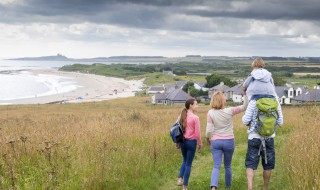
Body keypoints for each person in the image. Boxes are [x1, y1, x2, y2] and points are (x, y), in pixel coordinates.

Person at [206, 91, 248, 190]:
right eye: (224, 97)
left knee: (216, 166)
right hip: (229, 141)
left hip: (216, 142)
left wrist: (208, 138)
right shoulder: (230, 111)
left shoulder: (210, 113)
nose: (225, 98)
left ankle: (213, 187)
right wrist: (245, 94)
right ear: (222, 100)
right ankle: (228, 186)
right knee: (228, 165)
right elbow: (245, 106)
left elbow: (209, 130)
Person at [242, 94, 283, 190]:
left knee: (250, 164)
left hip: (254, 137)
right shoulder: (275, 100)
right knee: (268, 166)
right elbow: (280, 121)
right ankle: (265, 188)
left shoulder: (253, 100)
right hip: (269, 138)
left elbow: (245, 121)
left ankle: (250, 188)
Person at [176, 98, 202, 190]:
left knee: (184, 160)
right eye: (196, 104)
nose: (197, 106)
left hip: (183, 142)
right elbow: (197, 133)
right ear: (190, 105)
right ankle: (184, 186)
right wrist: (200, 144)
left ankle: (179, 179)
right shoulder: (195, 118)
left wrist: (178, 142)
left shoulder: (181, 116)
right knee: (188, 164)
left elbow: (177, 129)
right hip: (191, 142)